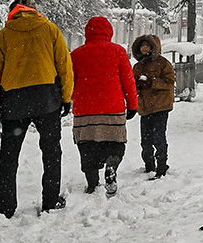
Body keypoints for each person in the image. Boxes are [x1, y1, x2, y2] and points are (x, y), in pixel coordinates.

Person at [0, 0, 74, 217]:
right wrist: (66, 97)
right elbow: (64, 67)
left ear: (13, 12)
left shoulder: (3, 36)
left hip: (14, 103)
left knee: (9, 156)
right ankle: (50, 200)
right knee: (51, 152)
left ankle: (5, 207)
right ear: (34, 10)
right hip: (47, 100)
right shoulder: (50, 30)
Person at [71, 17, 138, 196]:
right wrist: (132, 104)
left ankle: (93, 183)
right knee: (115, 143)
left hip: (85, 111)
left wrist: (70, 99)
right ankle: (112, 165)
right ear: (109, 32)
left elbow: (69, 83)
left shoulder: (76, 54)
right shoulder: (118, 52)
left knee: (87, 147)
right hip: (112, 110)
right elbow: (128, 81)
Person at [131, 33, 175, 178]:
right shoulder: (138, 66)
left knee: (158, 137)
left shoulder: (163, 63)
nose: (144, 48)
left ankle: (161, 166)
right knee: (146, 139)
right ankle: (149, 166)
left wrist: (152, 82)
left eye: (147, 46)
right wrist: (137, 86)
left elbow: (169, 82)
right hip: (145, 108)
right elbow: (131, 85)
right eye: (142, 45)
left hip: (161, 106)